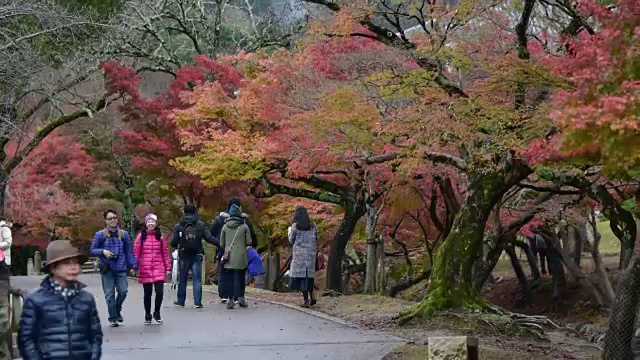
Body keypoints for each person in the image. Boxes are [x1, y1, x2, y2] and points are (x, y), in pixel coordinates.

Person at [18, 240, 103, 360]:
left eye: (76, 263)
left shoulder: (86, 299)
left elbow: (95, 336)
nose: (74, 267)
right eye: (67, 263)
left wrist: (93, 356)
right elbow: (26, 339)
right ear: (53, 268)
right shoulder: (35, 299)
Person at [90, 209, 137, 327]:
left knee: (123, 291)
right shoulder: (100, 235)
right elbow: (92, 250)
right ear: (106, 221)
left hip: (120, 268)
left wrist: (134, 265)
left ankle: (117, 310)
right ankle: (113, 317)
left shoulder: (124, 234)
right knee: (109, 294)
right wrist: (103, 251)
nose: (113, 220)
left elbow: (129, 252)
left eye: (114, 218)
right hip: (107, 269)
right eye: (110, 218)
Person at [211, 196, 257, 303]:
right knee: (239, 273)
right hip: (240, 251)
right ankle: (238, 296)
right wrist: (253, 245)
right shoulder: (244, 221)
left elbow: (211, 232)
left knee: (224, 271)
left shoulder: (220, 220)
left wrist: (218, 243)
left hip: (224, 250)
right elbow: (251, 236)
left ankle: (224, 295)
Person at [171, 204, 215, 308]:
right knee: (197, 279)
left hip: (183, 254)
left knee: (182, 278)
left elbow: (173, 242)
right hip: (197, 254)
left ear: (184, 212)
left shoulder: (179, 226)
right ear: (195, 212)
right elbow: (209, 237)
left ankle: (181, 301)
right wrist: (219, 244)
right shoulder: (200, 225)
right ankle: (197, 302)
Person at [134, 213, 171, 324]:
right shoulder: (141, 236)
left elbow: (165, 253)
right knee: (148, 293)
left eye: (153, 221)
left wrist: (168, 268)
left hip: (158, 266)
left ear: (156, 223)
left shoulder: (161, 236)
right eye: (149, 221)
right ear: (146, 223)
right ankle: (147, 314)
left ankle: (157, 312)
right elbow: (136, 252)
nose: (151, 223)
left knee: (159, 292)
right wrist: (134, 266)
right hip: (146, 267)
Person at [219, 204, 252, 309]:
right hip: (241, 256)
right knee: (240, 278)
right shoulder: (244, 226)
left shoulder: (225, 226)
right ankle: (241, 298)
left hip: (229, 256)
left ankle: (230, 300)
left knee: (229, 278)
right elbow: (249, 241)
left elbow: (221, 243)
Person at [288, 205, 318, 308]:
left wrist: (289, 232)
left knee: (302, 279)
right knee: (308, 278)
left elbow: (291, 240)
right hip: (310, 256)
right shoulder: (313, 226)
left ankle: (306, 301)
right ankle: (312, 297)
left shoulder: (295, 227)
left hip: (299, 256)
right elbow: (316, 239)